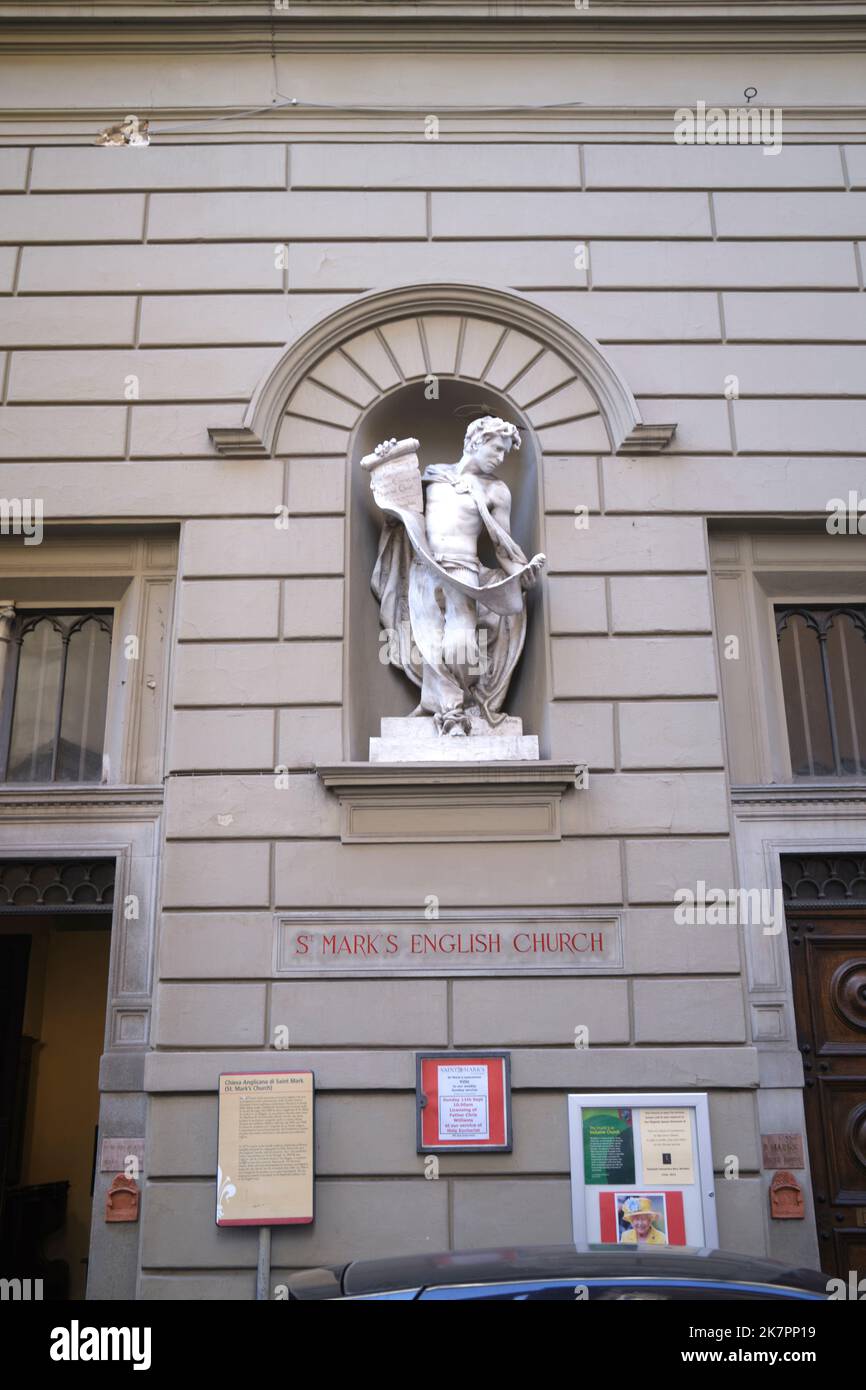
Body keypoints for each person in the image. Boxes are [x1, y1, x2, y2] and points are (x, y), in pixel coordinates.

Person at [370, 416, 545, 735]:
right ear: (475, 442)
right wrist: (387, 467)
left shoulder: (497, 491)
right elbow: (398, 514)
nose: (500, 458)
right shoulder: (433, 477)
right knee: (428, 646)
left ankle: (455, 706)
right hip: (425, 571)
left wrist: (521, 575)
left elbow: (503, 546)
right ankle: (450, 713)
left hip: (464, 574)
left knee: (461, 644)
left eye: (505, 452)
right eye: (496, 448)